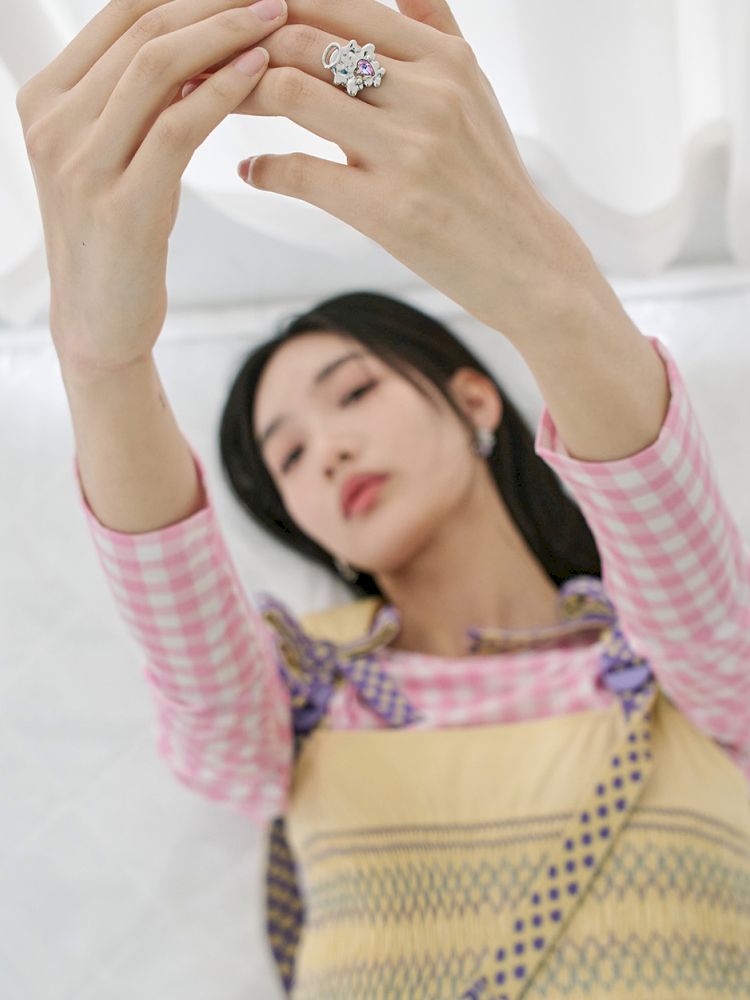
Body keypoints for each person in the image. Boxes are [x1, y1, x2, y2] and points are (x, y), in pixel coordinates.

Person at [15, 0, 750, 997]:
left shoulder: (693, 666)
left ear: (473, 400)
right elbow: (185, 641)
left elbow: (682, 554)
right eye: (287, 456)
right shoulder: (293, 706)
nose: (327, 450)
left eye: (354, 393)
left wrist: (545, 279)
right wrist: (100, 364)